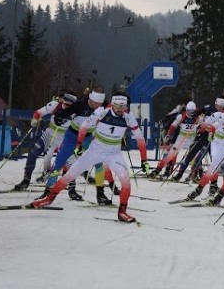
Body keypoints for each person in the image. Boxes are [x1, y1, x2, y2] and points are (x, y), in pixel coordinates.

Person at [31, 93, 150, 222]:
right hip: (95, 151)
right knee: (70, 174)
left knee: (126, 181)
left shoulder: (128, 117)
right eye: (118, 106)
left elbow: (140, 138)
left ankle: (122, 212)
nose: (121, 110)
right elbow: (84, 127)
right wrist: (79, 145)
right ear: (113, 104)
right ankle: (49, 199)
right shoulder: (102, 112)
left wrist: (144, 160)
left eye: (124, 107)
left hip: (114, 154)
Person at [13, 92, 78, 190]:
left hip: (63, 138)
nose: (66, 107)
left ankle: (66, 183)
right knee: (33, 153)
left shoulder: (76, 112)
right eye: (65, 104)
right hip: (49, 134)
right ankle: (26, 180)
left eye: (69, 105)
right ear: (62, 101)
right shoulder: (55, 105)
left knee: (61, 159)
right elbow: (39, 112)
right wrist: (35, 119)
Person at [149, 101, 201, 178]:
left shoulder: (198, 117)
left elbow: (203, 126)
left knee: (196, 156)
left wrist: (200, 133)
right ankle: (158, 170)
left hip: (191, 139)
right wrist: (168, 135)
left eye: (192, 111)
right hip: (182, 138)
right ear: (186, 109)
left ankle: (196, 174)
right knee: (171, 154)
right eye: (189, 111)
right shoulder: (181, 116)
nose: (190, 113)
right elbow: (173, 126)